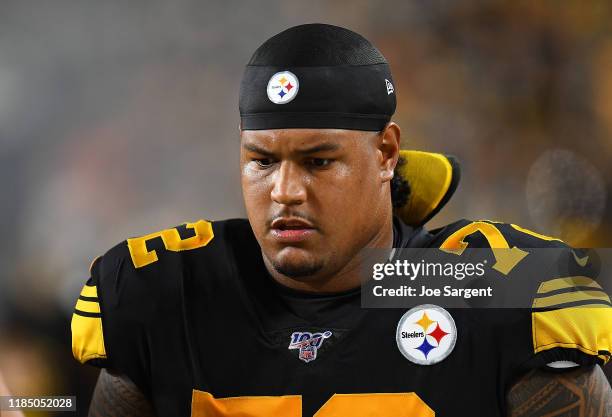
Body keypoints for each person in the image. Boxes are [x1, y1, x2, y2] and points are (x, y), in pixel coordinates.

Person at [71, 24, 612, 416]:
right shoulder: (169, 289)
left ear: (385, 153)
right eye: (263, 161)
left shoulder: (489, 282)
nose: (285, 192)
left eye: (318, 162)